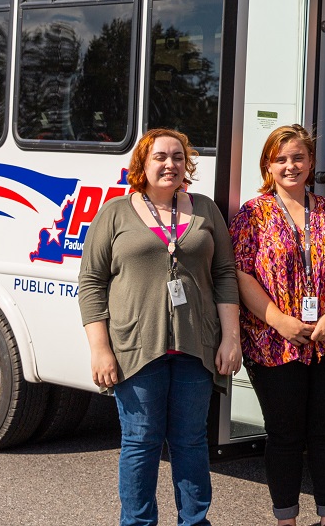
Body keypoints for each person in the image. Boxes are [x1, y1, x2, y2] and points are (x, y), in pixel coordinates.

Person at [79, 128, 242, 526]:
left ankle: (194, 521)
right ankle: (136, 523)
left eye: (178, 157)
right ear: (142, 165)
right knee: (140, 442)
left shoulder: (205, 209)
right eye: (160, 157)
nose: (170, 164)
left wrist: (231, 339)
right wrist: (100, 349)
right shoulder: (115, 212)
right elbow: (91, 282)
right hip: (135, 349)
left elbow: (224, 273)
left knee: (190, 443)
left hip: (196, 347)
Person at [231, 124, 325, 526]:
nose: (291, 165)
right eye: (282, 159)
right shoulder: (252, 214)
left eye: (298, 158)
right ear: (269, 165)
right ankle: (285, 518)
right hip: (274, 342)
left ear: (310, 163)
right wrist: (280, 321)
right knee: (285, 434)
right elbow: (241, 274)